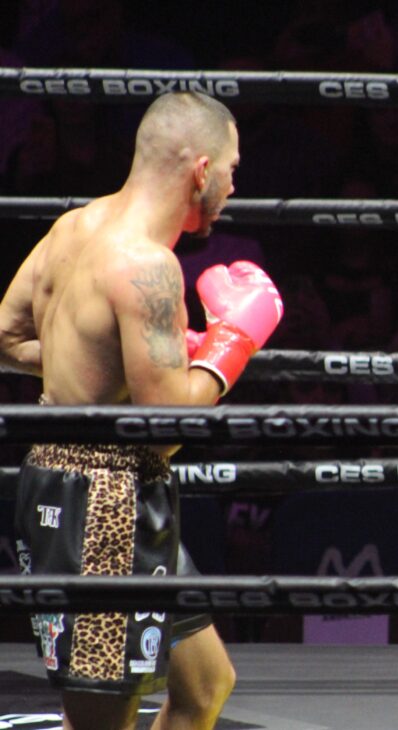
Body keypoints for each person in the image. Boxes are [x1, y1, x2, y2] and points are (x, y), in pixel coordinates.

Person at [0, 91, 283, 730]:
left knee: (206, 685)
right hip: (105, 503)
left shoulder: (74, 227)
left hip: (88, 479)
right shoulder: (149, 268)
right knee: (101, 721)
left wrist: (114, 364)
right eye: (233, 169)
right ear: (202, 171)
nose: (236, 186)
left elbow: (8, 337)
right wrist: (227, 348)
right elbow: (164, 433)